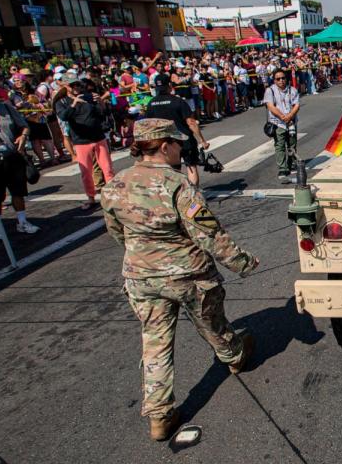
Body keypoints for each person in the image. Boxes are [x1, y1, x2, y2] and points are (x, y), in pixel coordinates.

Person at [100, 118, 259, 441]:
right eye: (176, 143)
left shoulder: (115, 184)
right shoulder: (177, 186)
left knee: (155, 343)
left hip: (142, 278)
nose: (180, 148)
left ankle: (159, 415)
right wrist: (242, 263)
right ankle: (234, 357)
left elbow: (117, 232)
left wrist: (144, 258)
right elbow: (209, 235)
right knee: (211, 324)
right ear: (163, 146)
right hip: (190, 275)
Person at [0, 79, 39, 238]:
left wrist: (23, 137)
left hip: (11, 156)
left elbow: (24, 126)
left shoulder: (6, 107)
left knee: (18, 191)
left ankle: (22, 222)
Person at [54, 79, 115, 210]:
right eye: (72, 85)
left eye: (78, 85)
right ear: (66, 87)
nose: (76, 88)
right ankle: (91, 197)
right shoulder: (62, 102)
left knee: (107, 169)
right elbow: (63, 116)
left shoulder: (89, 97)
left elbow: (102, 113)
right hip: (81, 141)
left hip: (98, 138)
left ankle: (113, 195)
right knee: (86, 172)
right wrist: (74, 104)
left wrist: (100, 102)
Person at [144, 76, 209, 186]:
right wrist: (202, 141)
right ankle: (192, 195)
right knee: (191, 167)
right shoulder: (177, 101)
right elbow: (191, 122)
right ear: (169, 86)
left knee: (173, 171)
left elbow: (148, 125)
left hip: (165, 142)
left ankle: (176, 196)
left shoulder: (151, 103)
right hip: (184, 139)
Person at [264, 68, 300, 183]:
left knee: (292, 143)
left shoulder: (292, 90)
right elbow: (270, 106)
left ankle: (291, 164)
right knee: (279, 145)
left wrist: (290, 116)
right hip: (277, 122)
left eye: (283, 78)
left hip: (291, 122)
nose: (281, 81)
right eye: (278, 79)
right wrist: (283, 117)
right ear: (274, 80)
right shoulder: (270, 91)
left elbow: (296, 105)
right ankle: (282, 168)